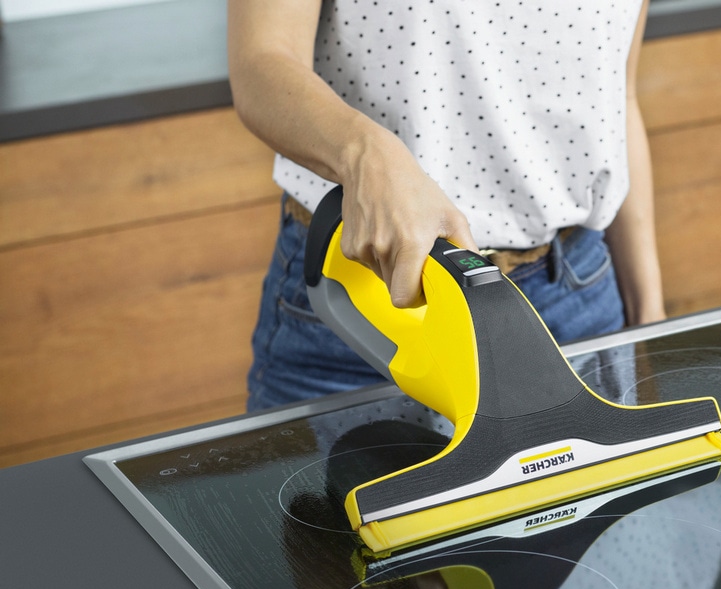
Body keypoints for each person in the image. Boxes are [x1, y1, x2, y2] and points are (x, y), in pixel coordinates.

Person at [227, 0, 665, 412]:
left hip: (575, 300)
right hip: (364, 301)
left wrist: (649, 316)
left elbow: (618, 100)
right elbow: (262, 60)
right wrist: (364, 152)